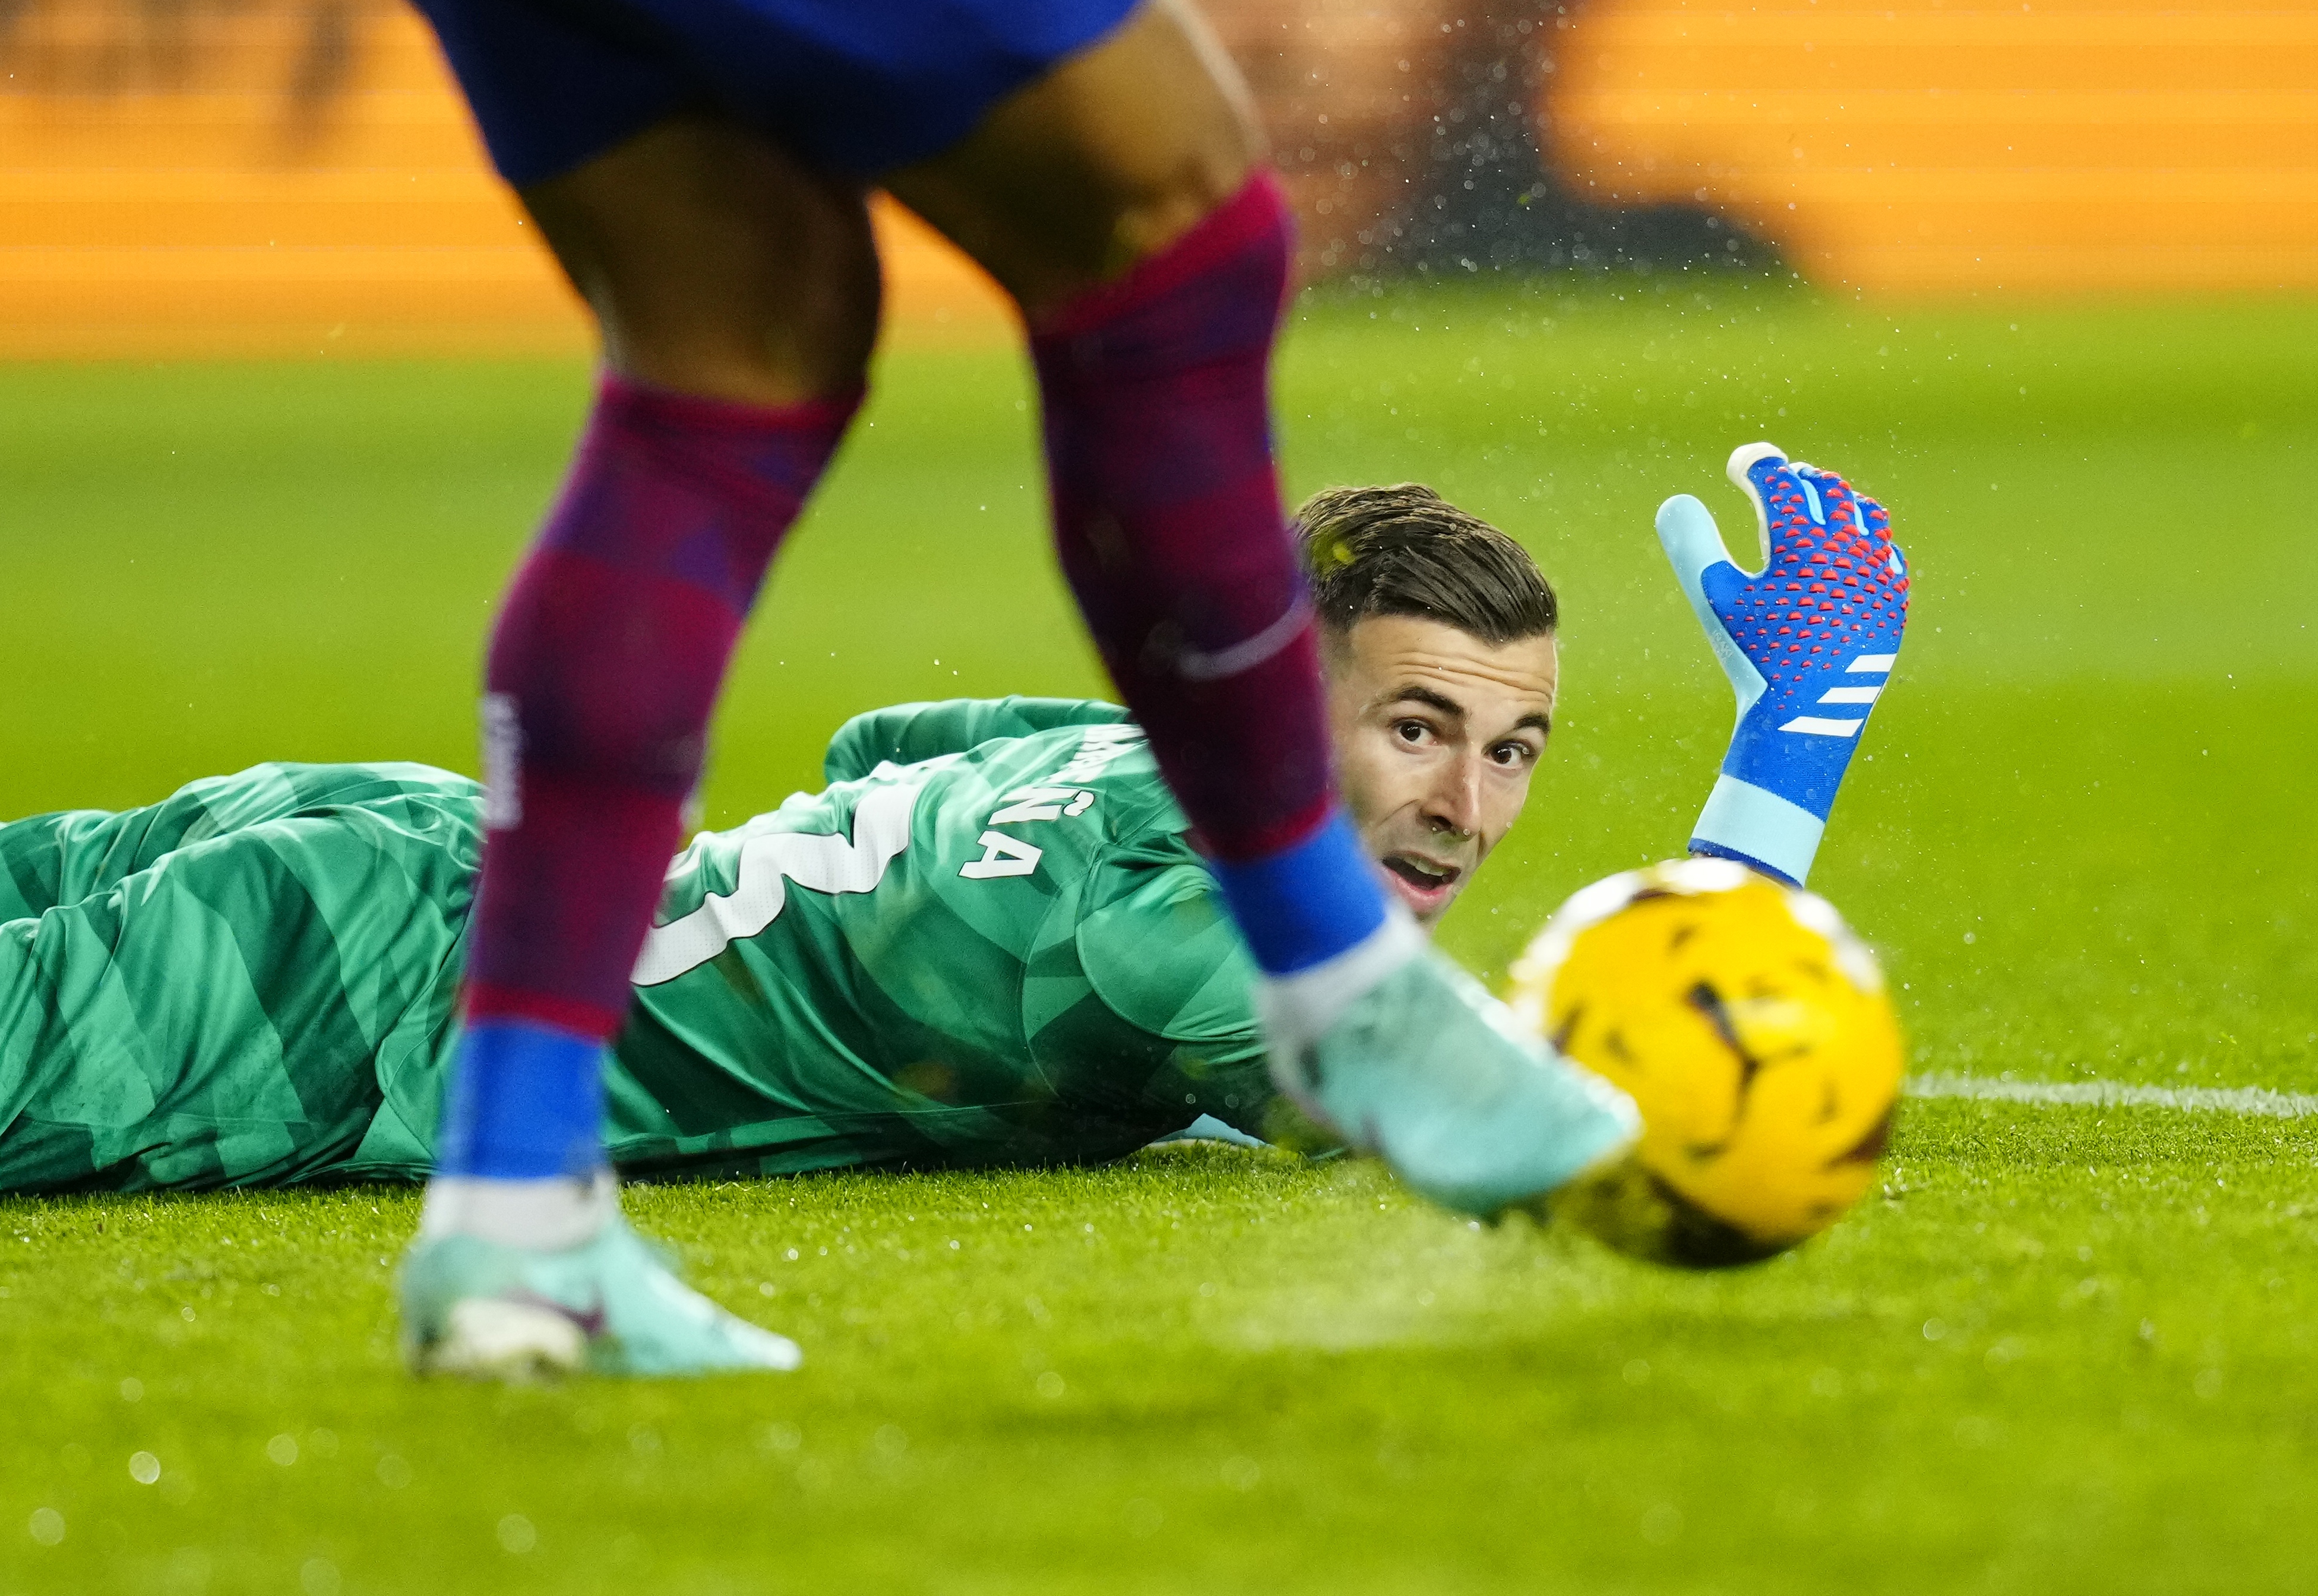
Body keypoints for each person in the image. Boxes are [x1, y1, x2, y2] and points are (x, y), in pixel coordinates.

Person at [0, 454, 1910, 1376]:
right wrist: (1785, 769)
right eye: (1414, 726)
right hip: (331, 993)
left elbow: (886, 743)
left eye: (1515, 746)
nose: (1467, 806)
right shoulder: (1160, 924)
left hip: (403, 846)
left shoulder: (1098, 752)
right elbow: (1520, 1098)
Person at [400, 0, 1631, 1376]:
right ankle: (1344, 984)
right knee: (1172, 229)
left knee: (731, 353)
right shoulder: (1128, 915)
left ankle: (516, 1210)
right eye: (1417, 727)